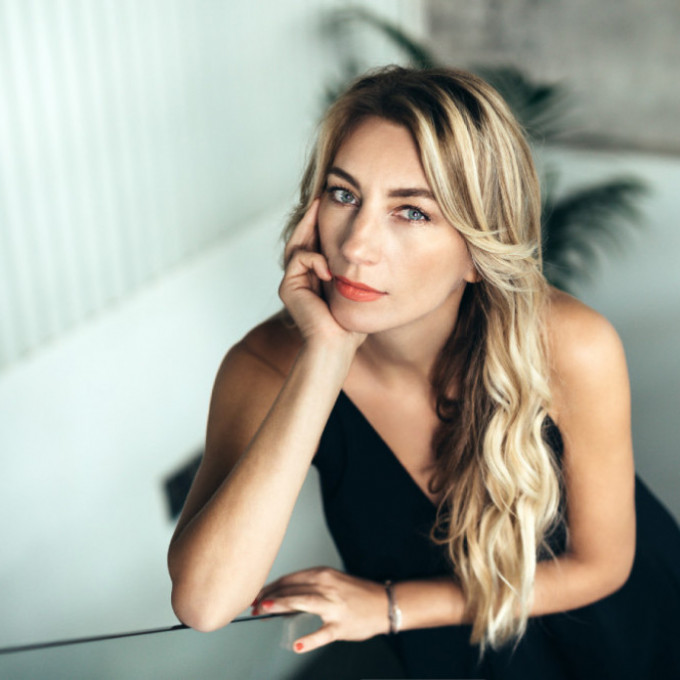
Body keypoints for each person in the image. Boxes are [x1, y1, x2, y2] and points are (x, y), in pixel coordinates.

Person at [167, 66, 680, 678]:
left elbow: (602, 565)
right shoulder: (265, 364)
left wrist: (390, 607)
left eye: (411, 212)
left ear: (477, 251)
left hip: (628, 639)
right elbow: (204, 603)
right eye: (343, 195)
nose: (356, 246)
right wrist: (325, 356)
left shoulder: (571, 345)